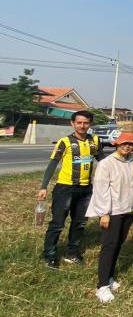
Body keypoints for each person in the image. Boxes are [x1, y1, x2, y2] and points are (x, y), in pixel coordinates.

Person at [38, 110, 104, 269]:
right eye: (79, 122)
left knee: (80, 223)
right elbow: (52, 164)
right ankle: (49, 255)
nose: (82, 126)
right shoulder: (64, 142)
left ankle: (72, 254)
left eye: (86, 123)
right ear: (72, 123)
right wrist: (43, 187)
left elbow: (102, 160)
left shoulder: (94, 140)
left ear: (90, 124)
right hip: (65, 188)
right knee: (58, 224)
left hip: (86, 190)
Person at [86, 131, 133, 303]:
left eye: (131, 144)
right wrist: (104, 213)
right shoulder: (106, 163)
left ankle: (109, 277)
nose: (127, 146)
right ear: (117, 144)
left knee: (118, 244)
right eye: (124, 143)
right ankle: (101, 286)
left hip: (128, 210)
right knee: (109, 246)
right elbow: (101, 190)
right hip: (112, 212)